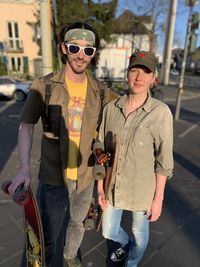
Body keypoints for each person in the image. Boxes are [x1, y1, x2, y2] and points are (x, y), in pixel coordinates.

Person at [8, 21, 109, 267]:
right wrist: (23, 168)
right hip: (54, 178)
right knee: (49, 236)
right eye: (75, 48)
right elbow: (26, 126)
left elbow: (106, 130)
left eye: (88, 50)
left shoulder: (100, 90)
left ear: (93, 54)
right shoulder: (44, 86)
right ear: (64, 48)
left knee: (76, 224)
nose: (81, 55)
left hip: (84, 178)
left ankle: (71, 256)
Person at [97, 50, 174, 267]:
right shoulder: (111, 109)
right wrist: (100, 187)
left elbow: (164, 160)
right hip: (114, 186)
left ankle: (131, 263)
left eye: (146, 72)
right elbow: (100, 149)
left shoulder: (160, 113)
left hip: (143, 191)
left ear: (153, 78)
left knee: (140, 234)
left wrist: (158, 199)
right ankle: (126, 246)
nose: (139, 77)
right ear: (127, 73)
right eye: (135, 70)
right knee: (108, 230)